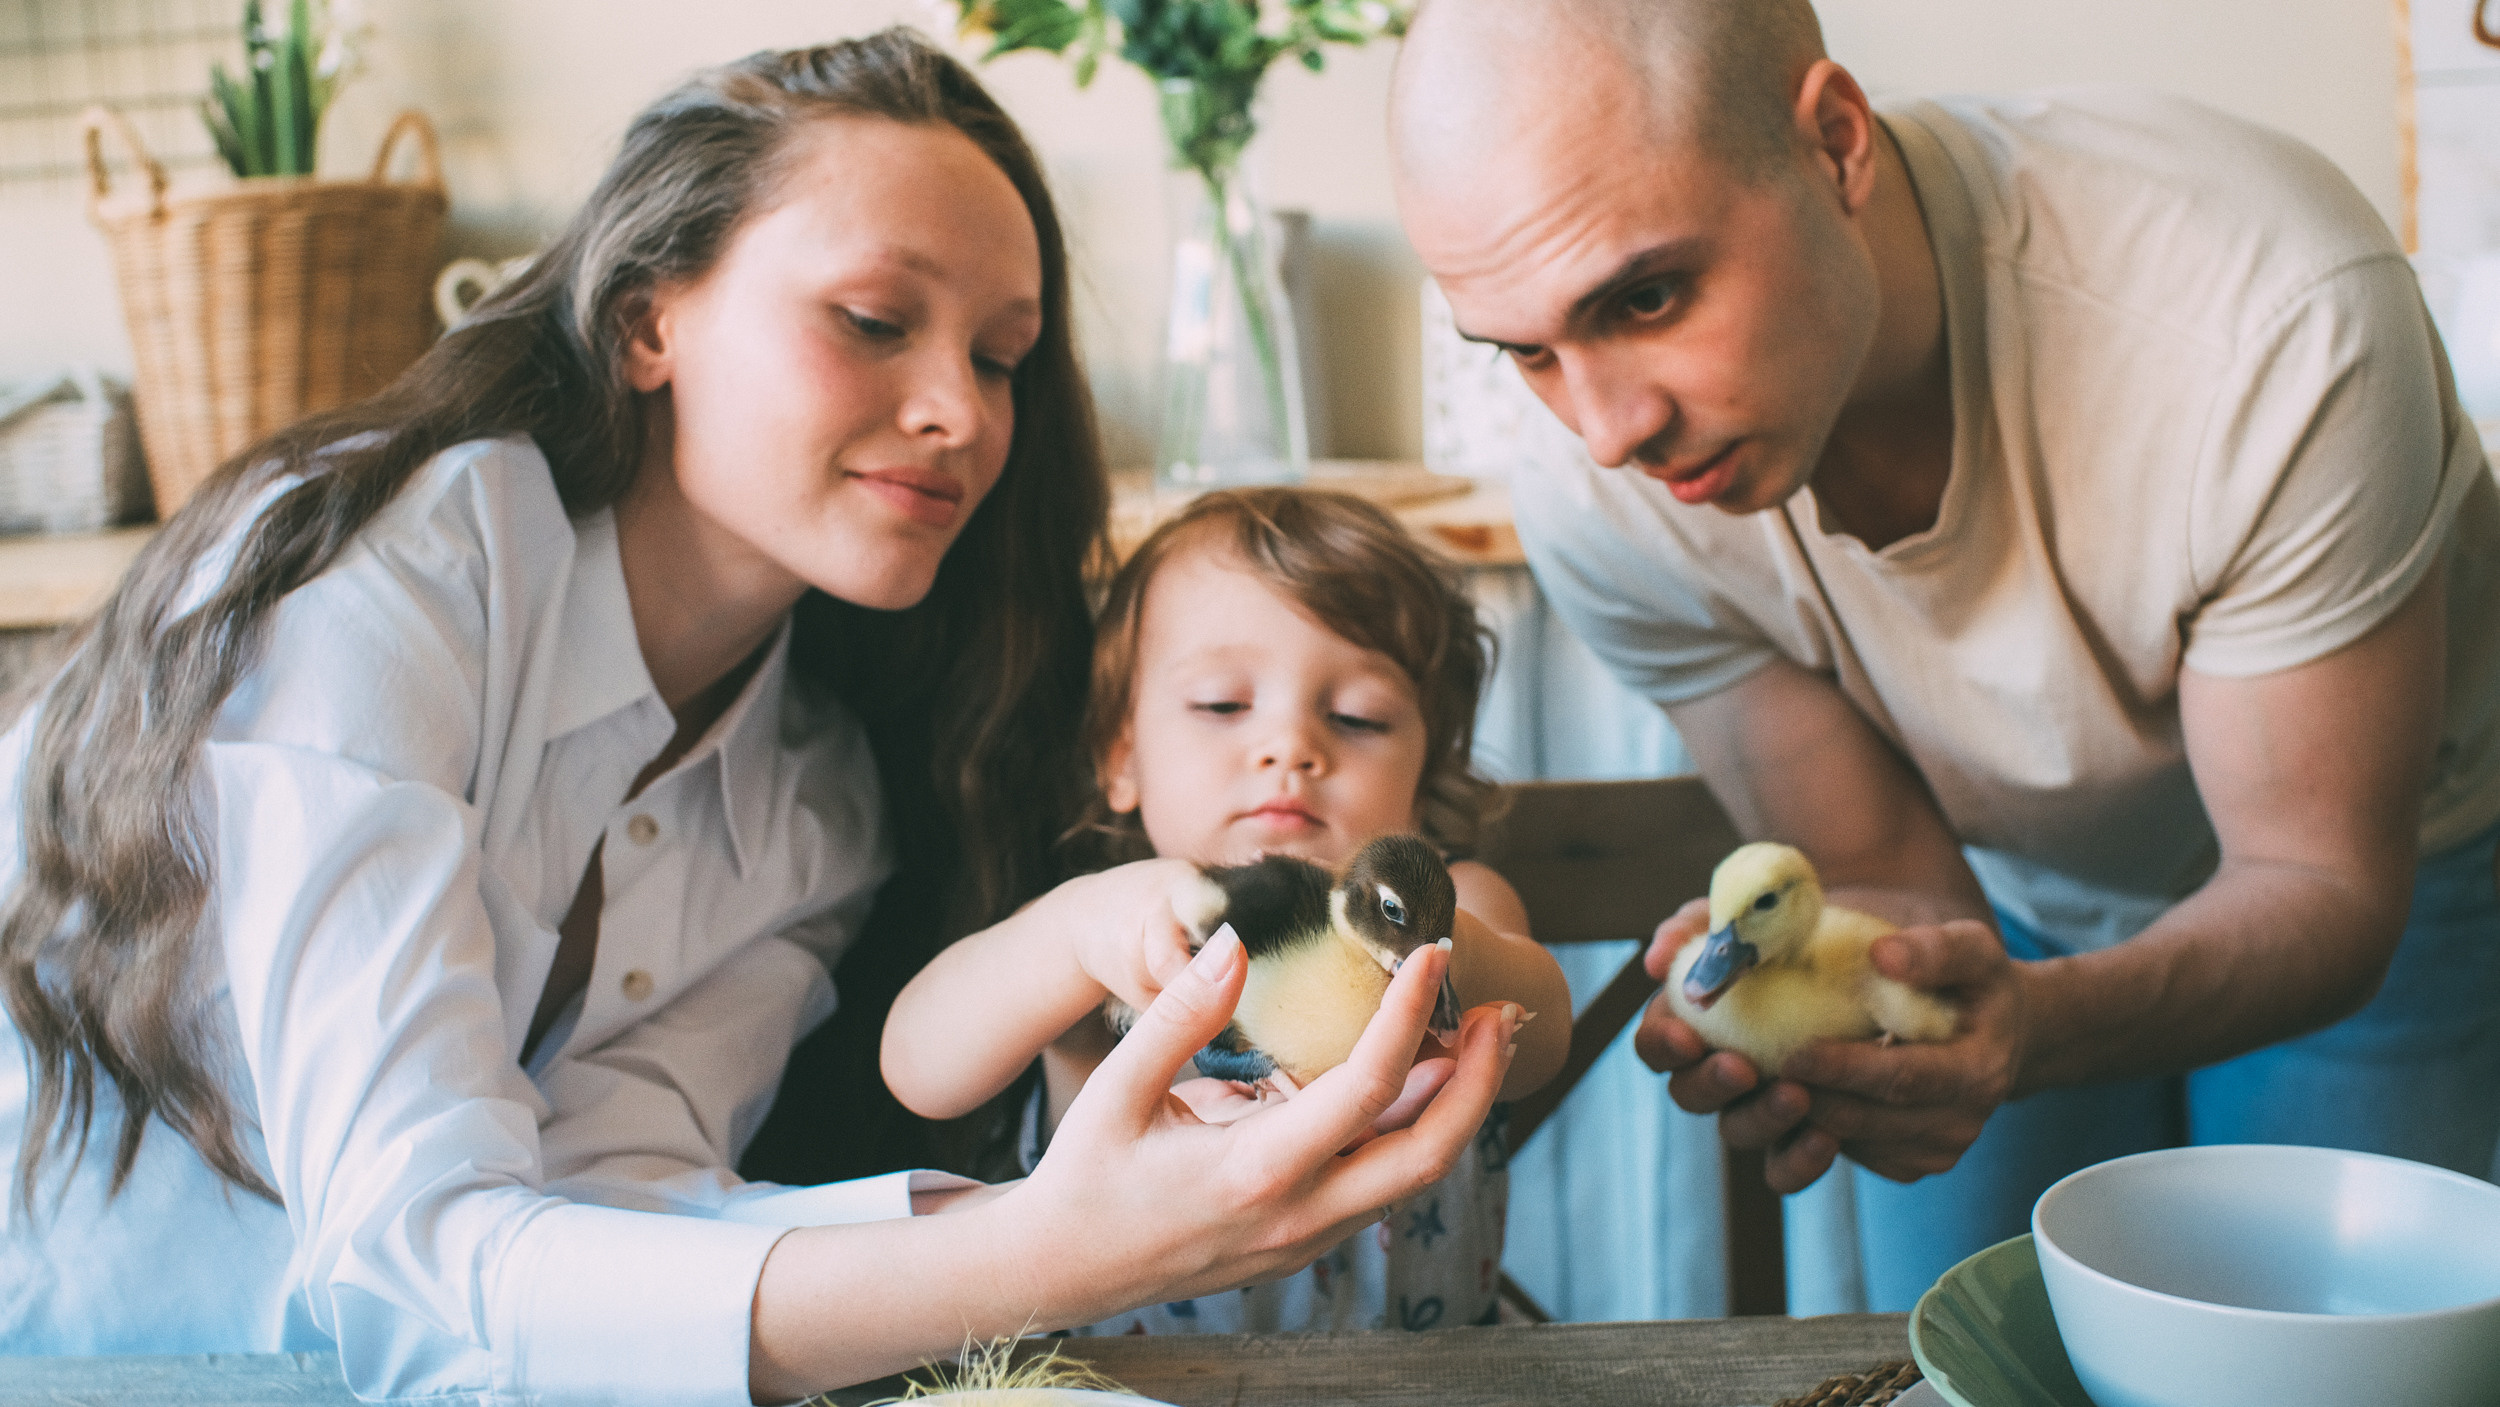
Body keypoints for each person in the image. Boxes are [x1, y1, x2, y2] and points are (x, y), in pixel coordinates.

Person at [0, 31, 1513, 1402]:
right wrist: (1047, 1255)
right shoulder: (382, 585)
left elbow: (621, 1215)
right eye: (873, 319)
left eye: (1001, 357)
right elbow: (420, 1285)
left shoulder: (819, 799)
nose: (963, 411)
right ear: (646, 320)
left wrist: (1079, 1231)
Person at [1388, 0, 2500, 1307]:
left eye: (1647, 296)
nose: (1608, 429)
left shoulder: (2267, 315)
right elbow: (1880, 868)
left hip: (2388, 863)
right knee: (1968, 1348)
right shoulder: (1593, 499)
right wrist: (1882, 995)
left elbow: (2315, 876)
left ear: (1836, 143)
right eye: (1527, 351)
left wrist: (2034, 1027)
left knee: (2302, 1363)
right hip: (2011, 876)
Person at [882, 489, 1569, 1332]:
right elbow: (917, 1070)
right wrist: (1072, 932)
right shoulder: (1109, 935)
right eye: (1221, 704)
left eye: (1357, 717)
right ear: (1120, 754)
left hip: (1436, 1379)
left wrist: (1411, 929)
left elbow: (1544, 1041)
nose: (1290, 747)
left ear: (1425, 782)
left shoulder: (1461, 908)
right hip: (1132, 1385)